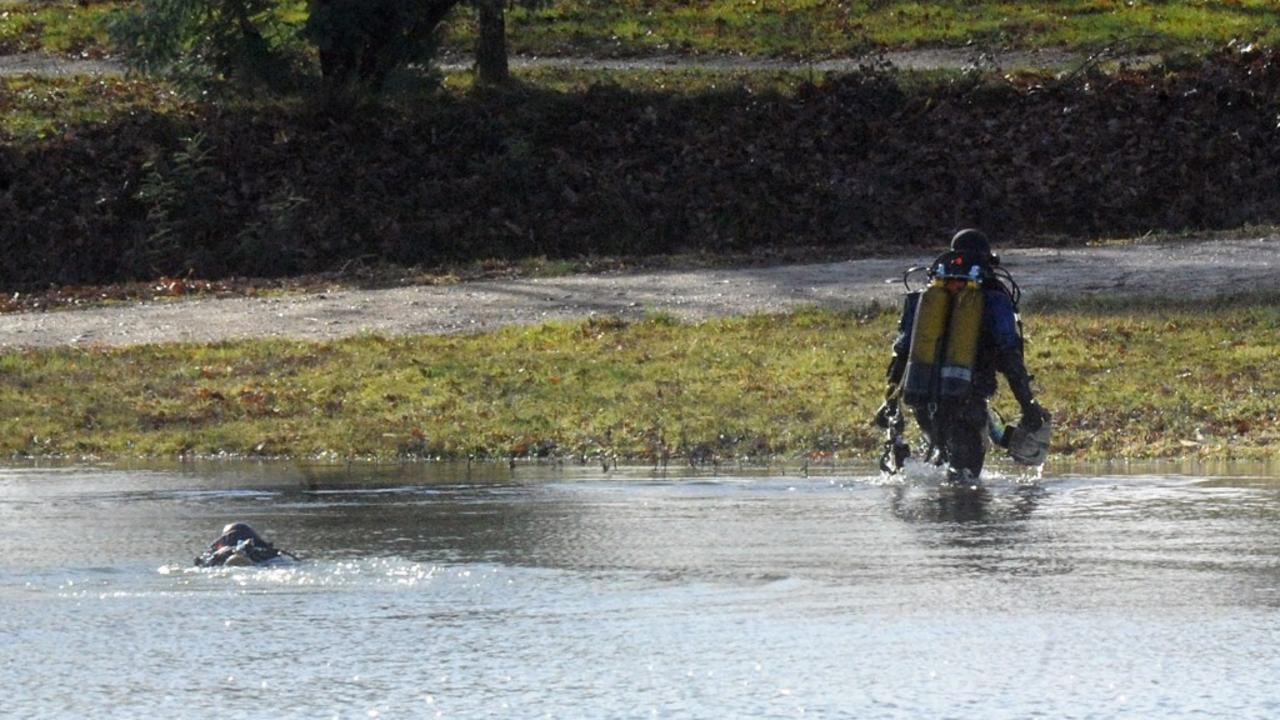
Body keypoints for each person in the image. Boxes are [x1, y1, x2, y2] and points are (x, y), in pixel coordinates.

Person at [874, 229, 1050, 482]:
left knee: (941, 472)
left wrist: (890, 403)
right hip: (968, 404)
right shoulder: (993, 298)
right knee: (965, 484)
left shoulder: (926, 298)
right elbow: (1010, 358)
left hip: (924, 402)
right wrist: (1029, 407)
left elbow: (902, 353)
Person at [194, 522, 286, 567]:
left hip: (227, 556)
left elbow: (201, 562)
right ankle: (242, 552)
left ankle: (239, 553)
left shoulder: (220, 549)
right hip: (255, 556)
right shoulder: (263, 549)